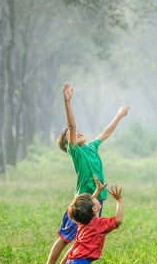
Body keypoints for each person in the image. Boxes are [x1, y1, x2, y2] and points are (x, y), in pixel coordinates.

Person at [46, 82, 129, 264]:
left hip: (97, 198)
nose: (77, 132)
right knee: (66, 237)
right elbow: (72, 124)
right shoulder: (75, 152)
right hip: (83, 201)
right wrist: (67, 102)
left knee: (83, 236)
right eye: (71, 134)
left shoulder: (91, 147)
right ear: (69, 144)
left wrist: (119, 115)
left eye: (76, 132)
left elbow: (106, 133)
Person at [63, 179, 124, 264]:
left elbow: (88, 206)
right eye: (93, 198)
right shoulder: (99, 224)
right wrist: (119, 201)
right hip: (81, 262)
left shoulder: (82, 222)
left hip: (71, 260)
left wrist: (97, 191)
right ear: (94, 208)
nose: (95, 197)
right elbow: (118, 220)